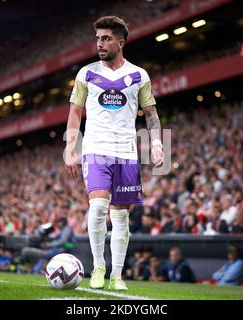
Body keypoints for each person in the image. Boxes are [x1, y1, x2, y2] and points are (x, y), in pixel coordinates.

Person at [64, 16, 164, 291]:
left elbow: (151, 115)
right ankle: (98, 267)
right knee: (97, 207)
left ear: (120, 42)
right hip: (96, 149)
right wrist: (70, 147)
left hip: (126, 153)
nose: (100, 43)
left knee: (121, 216)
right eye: (97, 38)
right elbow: (75, 112)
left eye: (106, 38)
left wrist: (157, 144)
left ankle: (117, 275)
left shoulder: (139, 75)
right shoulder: (86, 74)